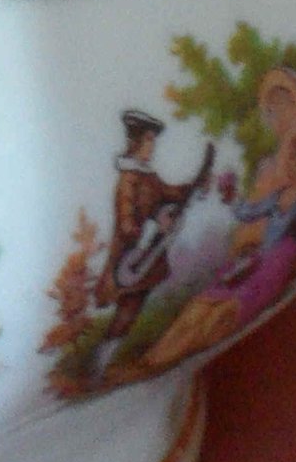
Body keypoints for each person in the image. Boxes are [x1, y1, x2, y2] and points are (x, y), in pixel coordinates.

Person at [131, 70, 296, 373]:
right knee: (203, 302)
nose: (289, 165)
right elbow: (248, 213)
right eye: (289, 159)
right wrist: (230, 197)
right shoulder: (277, 195)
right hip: (262, 257)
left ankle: (165, 358)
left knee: (223, 310)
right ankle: (153, 358)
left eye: (295, 161)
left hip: (278, 259)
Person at [84, 110, 215, 382]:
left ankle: (103, 362)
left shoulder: (148, 177)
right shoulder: (128, 180)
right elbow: (126, 223)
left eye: (153, 142)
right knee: (128, 307)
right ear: (136, 142)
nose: (152, 147)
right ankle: (98, 364)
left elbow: (170, 193)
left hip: (147, 256)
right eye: (149, 141)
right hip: (130, 258)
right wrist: (155, 223)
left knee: (133, 307)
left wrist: (195, 184)